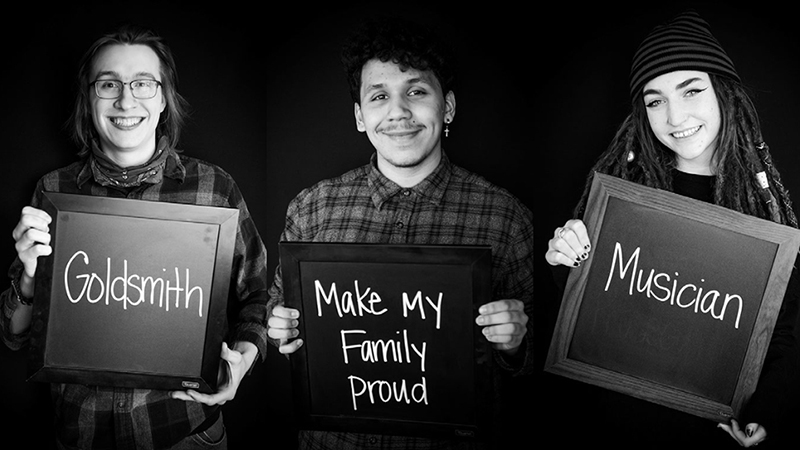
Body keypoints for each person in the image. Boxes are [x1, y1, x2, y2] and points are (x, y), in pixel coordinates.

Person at [266, 17, 534, 449]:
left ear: (446, 107)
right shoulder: (311, 208)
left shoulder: (505, 216)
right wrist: (278, 328)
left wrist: (516, 341)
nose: (398, 112)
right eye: (379, 96)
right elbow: (277, 312)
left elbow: (534, 359)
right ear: (359, 116)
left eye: (415, 91)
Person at [1, 25, 269, 449]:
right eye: (109, 84)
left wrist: (242, 362)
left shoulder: (214, 189)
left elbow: (258, 297)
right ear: (89, 100)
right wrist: (31, 277)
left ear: (163, 99)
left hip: (185, 432)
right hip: (80, 436)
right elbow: (14, 334)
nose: (126, 100)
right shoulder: (54, 192)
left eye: (143, 83)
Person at [545, 10, 800, 448]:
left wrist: (768, 412)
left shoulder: (765, 208)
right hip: (615, 428)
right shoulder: (623, 197)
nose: (674, 115)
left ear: (724, 94)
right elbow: (590, 308)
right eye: (655, 100)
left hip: (715, 433)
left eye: (692, 90)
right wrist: (563, 258)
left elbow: (787, 330)